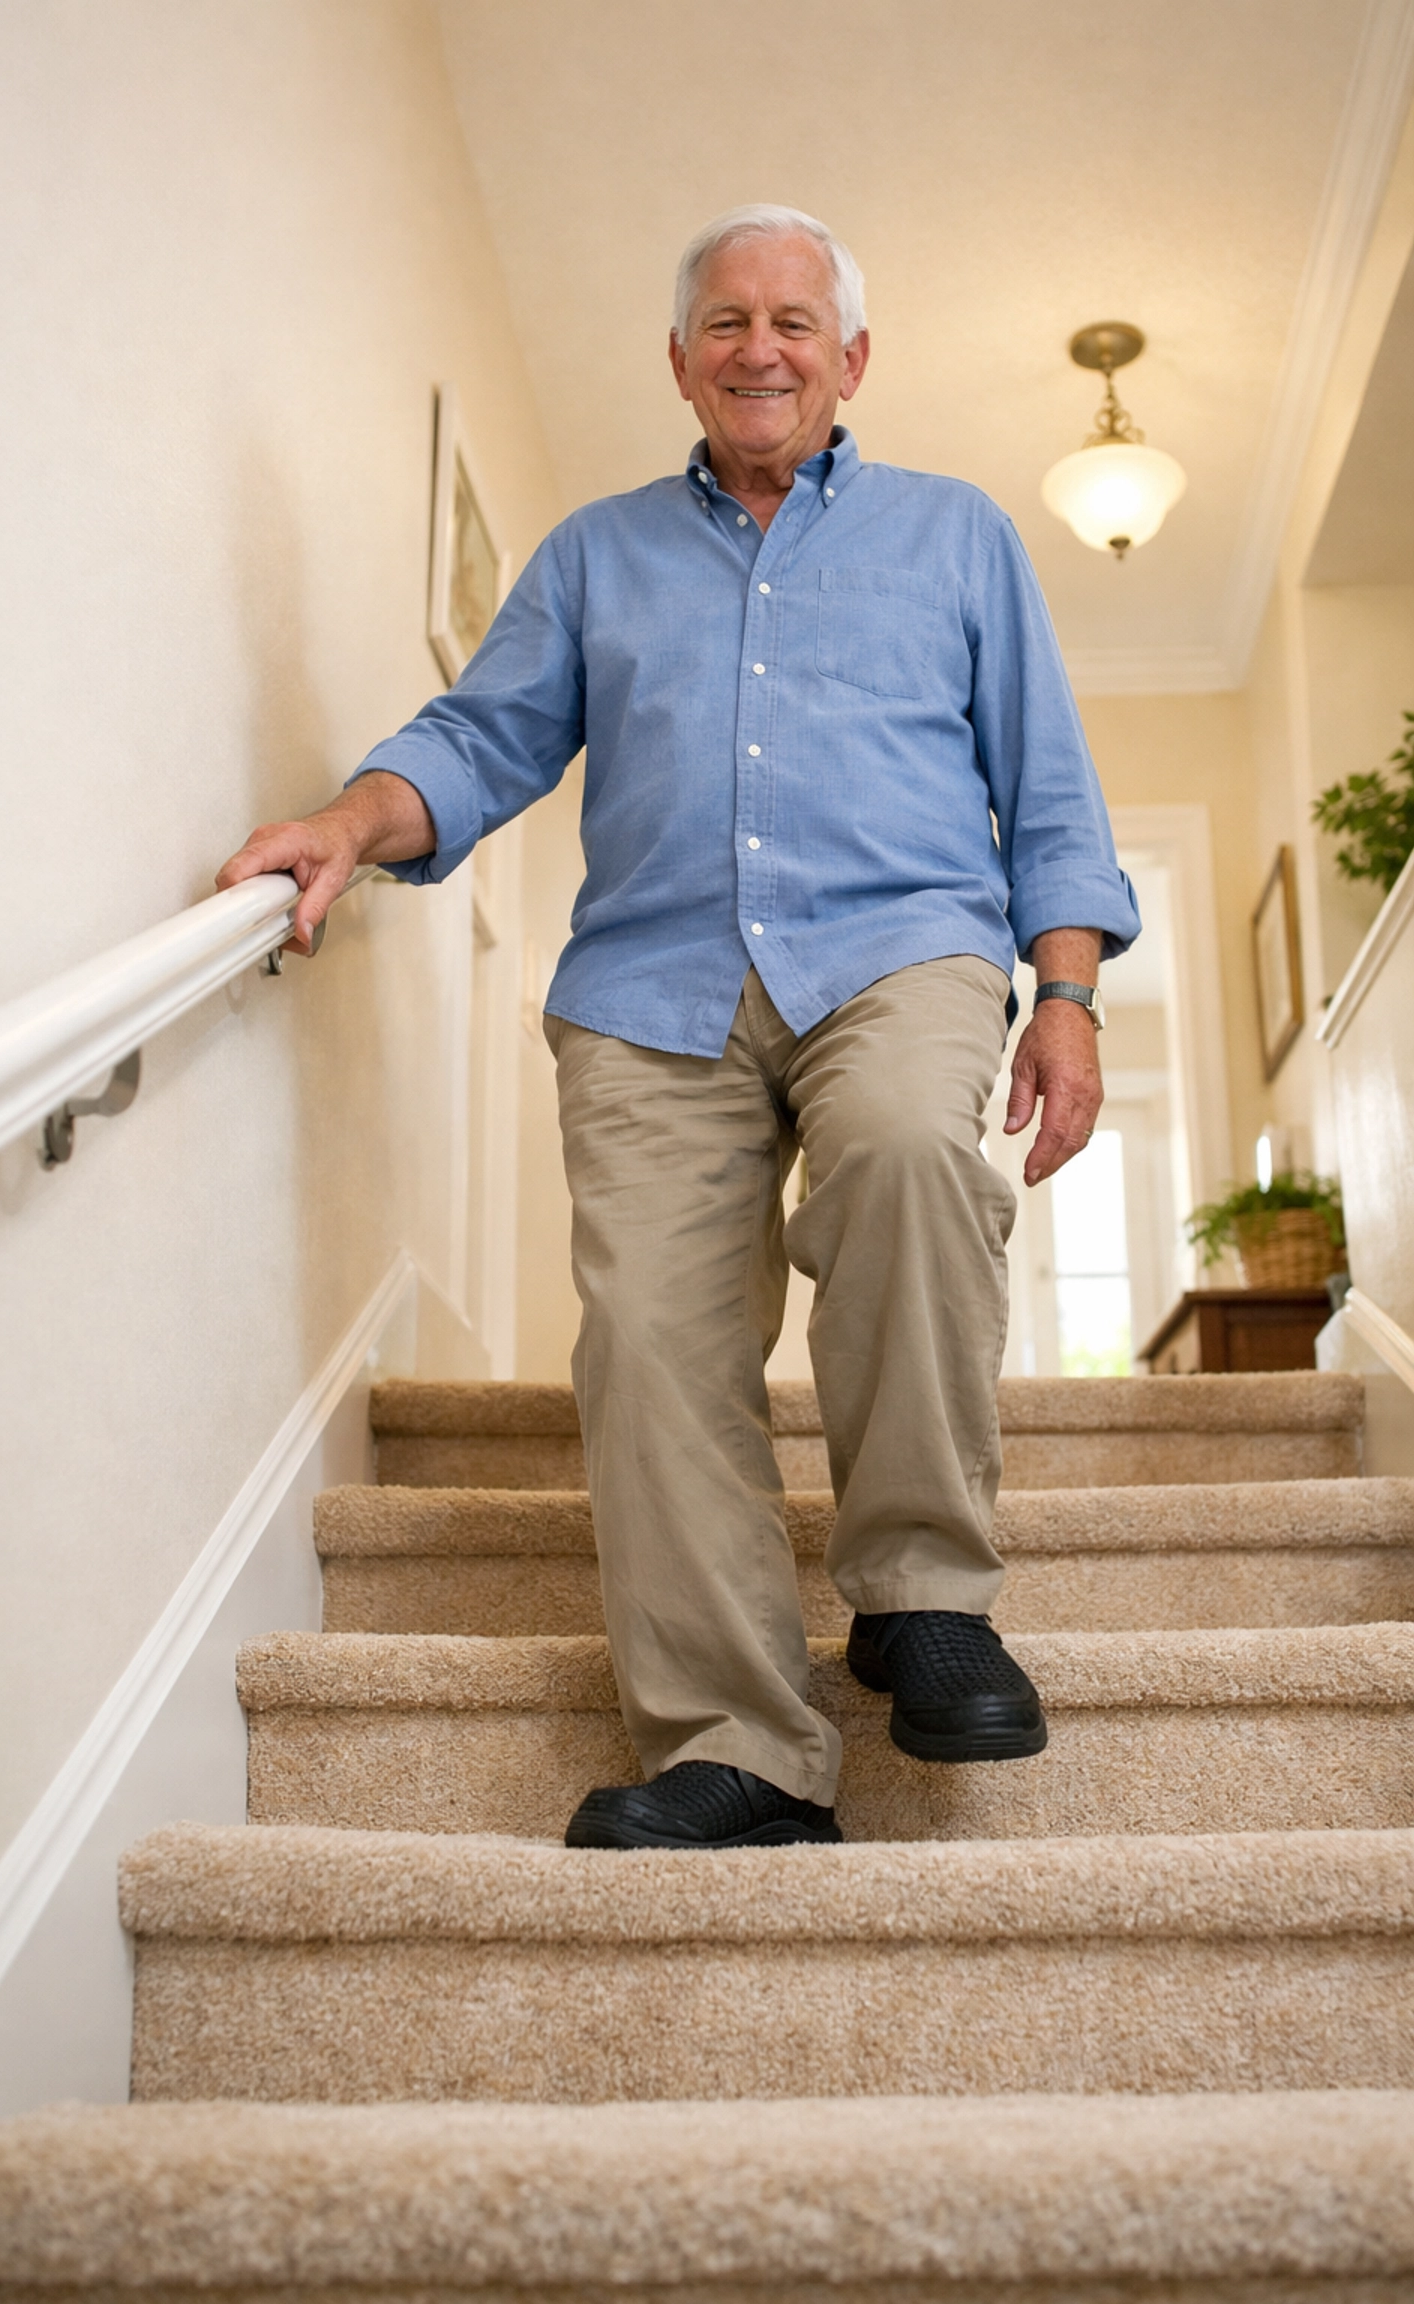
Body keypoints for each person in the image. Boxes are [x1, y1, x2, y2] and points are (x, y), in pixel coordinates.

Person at [218, 204, 1140, 1852]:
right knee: (651, 1338)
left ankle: (924, 1594)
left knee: (911, 1153)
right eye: (727, 322)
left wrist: (1062, 998)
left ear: (851, 361)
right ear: (679, 360)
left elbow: (1050, 791)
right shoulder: (592, 556)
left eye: (796, 322)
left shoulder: (957, 536)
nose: (761, 348)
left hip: (903, 948)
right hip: (653, 989)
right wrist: (350, 827)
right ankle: (744, 1752)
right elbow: (482, 736)